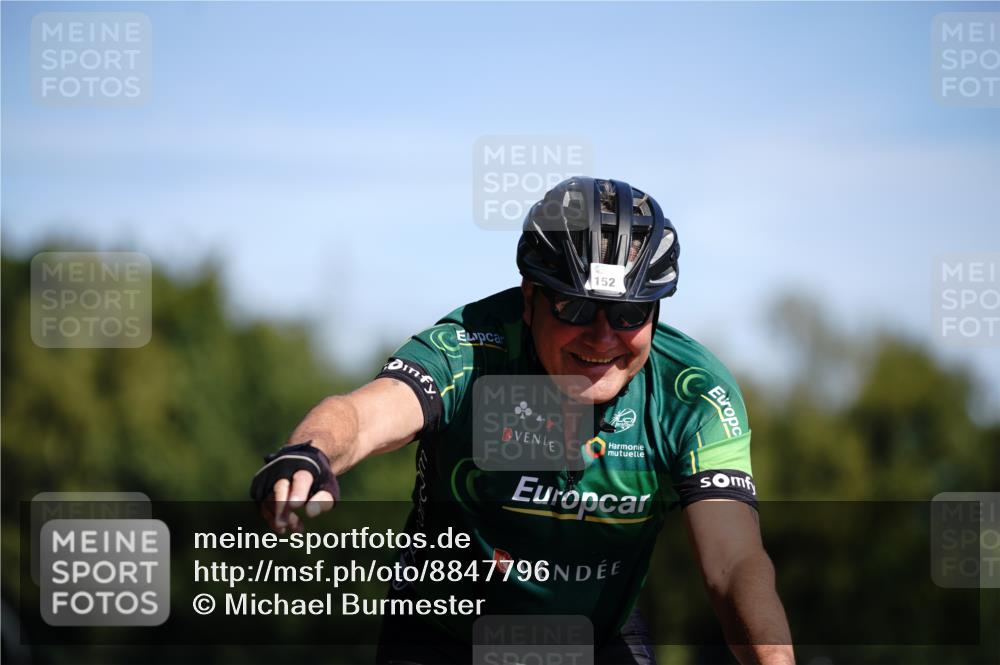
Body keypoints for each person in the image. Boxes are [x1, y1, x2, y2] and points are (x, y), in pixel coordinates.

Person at [250, 177, 794, 664]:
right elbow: (365, 413)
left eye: (629, 313)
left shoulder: (691, 392)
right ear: (530, 297)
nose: (603, 338)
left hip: (596, 635)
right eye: (577, 309)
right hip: (443, 637)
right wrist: (311, 451)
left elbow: (732, 564)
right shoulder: (475, 346)